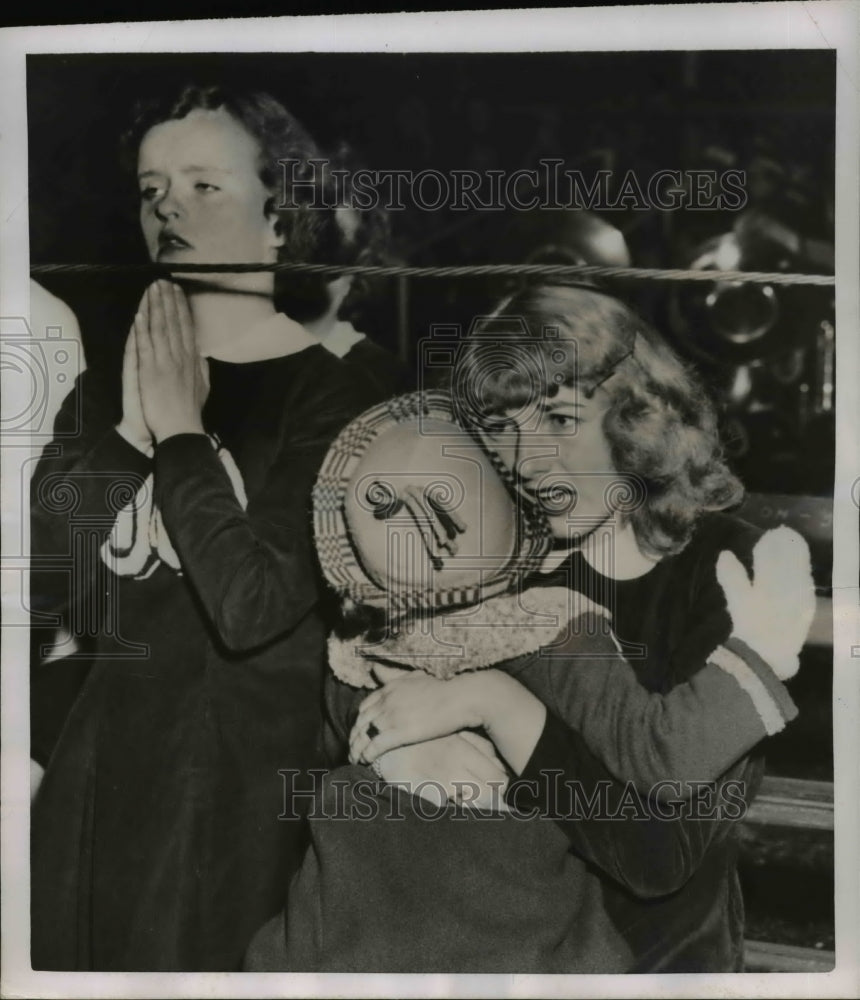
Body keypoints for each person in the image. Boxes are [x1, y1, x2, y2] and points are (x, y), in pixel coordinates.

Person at [245, 342, 813, 972]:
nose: (532, 457)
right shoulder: (463, 608)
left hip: (524, 928)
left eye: (562, 422)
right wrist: (394, 733)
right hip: (358, 913)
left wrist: (491, 702)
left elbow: (658, 789)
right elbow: (337, 703)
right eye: (502, 434)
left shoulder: (575, 611)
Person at [29, 84, 375, 971]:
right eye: (151, 190)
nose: (167, 208)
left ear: (279, 216)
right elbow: (42, 570)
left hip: (243, 805)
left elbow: (254, 604)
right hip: (99, 784)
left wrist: (180, 434)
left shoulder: (336, 398)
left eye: (203, 185)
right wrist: (132, 431)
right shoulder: (115, 382)